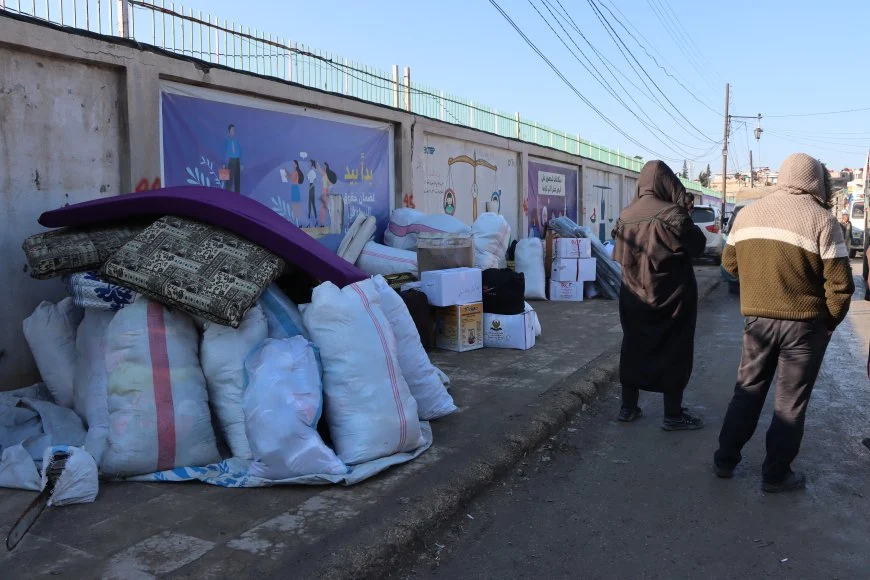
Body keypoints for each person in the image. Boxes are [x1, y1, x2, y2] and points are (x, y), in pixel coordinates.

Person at [714, 153, 854, 493]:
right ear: (815, 182)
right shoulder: (821, 220)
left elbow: (729, 263)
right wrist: (830, 321)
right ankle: (775, 475)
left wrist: (759, 292)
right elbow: (840, 285)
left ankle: (725, 460)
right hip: (805, 328)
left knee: (747, 391)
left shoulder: (748, 215)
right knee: (789, 402)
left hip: (757, 321)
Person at [611, 160, 707, 430]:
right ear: (667, 182)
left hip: (632, 294)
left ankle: (627, 408)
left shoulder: (626, 214)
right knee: (674, 349)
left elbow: (619, 252)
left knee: (632, 347)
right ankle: (673, 414)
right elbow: (697, 246)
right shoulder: (673, 214)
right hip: (672, 297)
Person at [223, 124, 242, 193]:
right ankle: (227, 193)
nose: (233, 131)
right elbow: (224, 152)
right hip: (230, 160)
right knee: (229, 179)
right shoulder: (227, 140)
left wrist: (241, 163)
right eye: (232, 130)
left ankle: (237, 194)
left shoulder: (236, 140)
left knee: (237, 178)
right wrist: (224, 163)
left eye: (234, 130)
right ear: (229, 131)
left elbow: (239, 151)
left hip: (237, 160)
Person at [307, 160, 318, 226]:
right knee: (310, 204)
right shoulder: (311, 171)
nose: (309, 164)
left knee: (312, 204)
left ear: (312, 164)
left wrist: (310, 187)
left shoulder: (313, 172)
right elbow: (308, 178)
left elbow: (315, 181)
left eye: (310, 163)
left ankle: (315, 220)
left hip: (311, 187)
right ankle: (310, 221)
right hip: (310, 186)